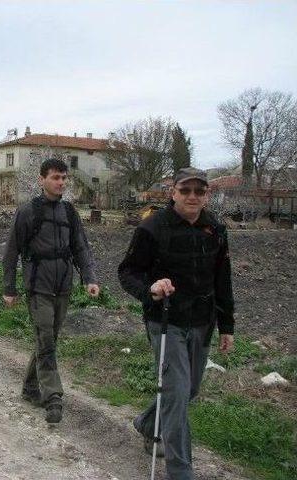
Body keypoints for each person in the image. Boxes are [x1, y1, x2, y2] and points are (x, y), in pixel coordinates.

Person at [117, 167, 234, 480]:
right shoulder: (153, 227)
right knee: (178, 392)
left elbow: (223, 279)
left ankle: (146, 423)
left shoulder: (216, 228)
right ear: (173, 192)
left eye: (199, 191)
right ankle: (181, 471)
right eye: (186, 191)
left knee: (187, 391)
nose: (193, 197)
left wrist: (227, 326)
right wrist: (151, 289)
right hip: (166, 321)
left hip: (203, 320)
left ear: (207, 194)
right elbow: (127, 272)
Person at [2, 158, 99, 424]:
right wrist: (9, 287)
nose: (61, 183)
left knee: (49, 340)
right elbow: (11, 252)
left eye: (64, 178)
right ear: (41, 180)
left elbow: (81, 247)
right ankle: (53, 396)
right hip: (38, 287)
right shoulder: (27, 212)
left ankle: (30, 387)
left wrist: (89, 278)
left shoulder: (69, 212)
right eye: (56, 177)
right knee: (45, 337)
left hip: (63, 287)